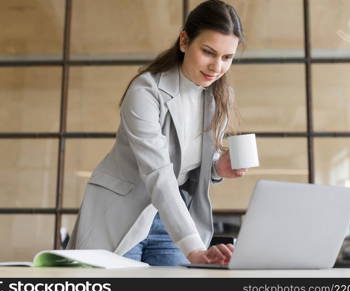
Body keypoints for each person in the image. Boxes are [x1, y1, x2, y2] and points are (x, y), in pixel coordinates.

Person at [67, 0, 246, 266]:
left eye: (227, 57)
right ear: (184, 42)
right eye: (208, 52)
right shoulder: (145, 91)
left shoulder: (219, 96)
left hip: (171, 219)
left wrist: (218, 167)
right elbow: (158, 171)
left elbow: (189, 161)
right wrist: (195, 248)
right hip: (121, 214)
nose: (217, 67)